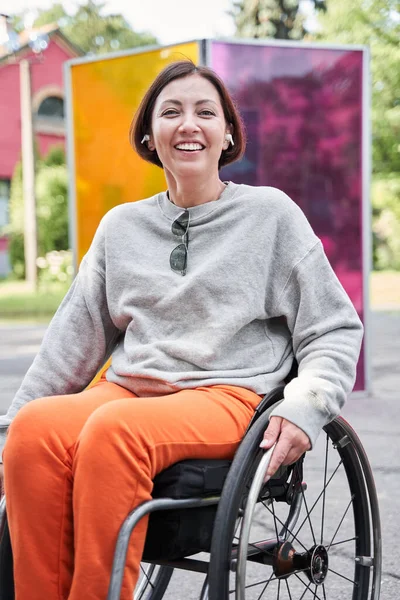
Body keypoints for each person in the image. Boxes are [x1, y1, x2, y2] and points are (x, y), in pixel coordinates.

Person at [0, 60, 363, 600]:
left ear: (228, 133)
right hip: (126, 388)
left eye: (205, 112)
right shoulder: (121, 227)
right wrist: (12, 423)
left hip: (226, 391)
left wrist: (307, 407)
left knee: (113, 431)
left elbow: (332, 327)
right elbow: (72, 340)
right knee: (34, 432)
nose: (188, 124)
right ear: (150, 134)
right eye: (171, 112)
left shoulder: (271, 216)